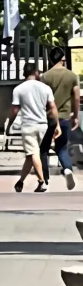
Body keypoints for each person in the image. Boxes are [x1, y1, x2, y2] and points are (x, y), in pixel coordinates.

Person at [12, 60, 56, 193]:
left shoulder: (19, 89)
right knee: (30, 156)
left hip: (28, 126)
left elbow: (14, 110)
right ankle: (20, 182)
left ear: (24, 73)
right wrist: (57, 124)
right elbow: (53, 107)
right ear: (36, 73)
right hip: (43, 125)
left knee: (33, 153)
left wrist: (10, 123)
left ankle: (42, 182)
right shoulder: (45, 88)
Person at [41, 48, 80, 188]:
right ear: (63, 58)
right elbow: (76, 97)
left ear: (51, 59)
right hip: (64, 117)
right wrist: (75, 116)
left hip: (48, 117)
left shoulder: (45, 76)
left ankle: (44, 180)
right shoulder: (72, 76)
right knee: (62, 148)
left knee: (43, 149)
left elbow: (43, 99)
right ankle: (68, 169)